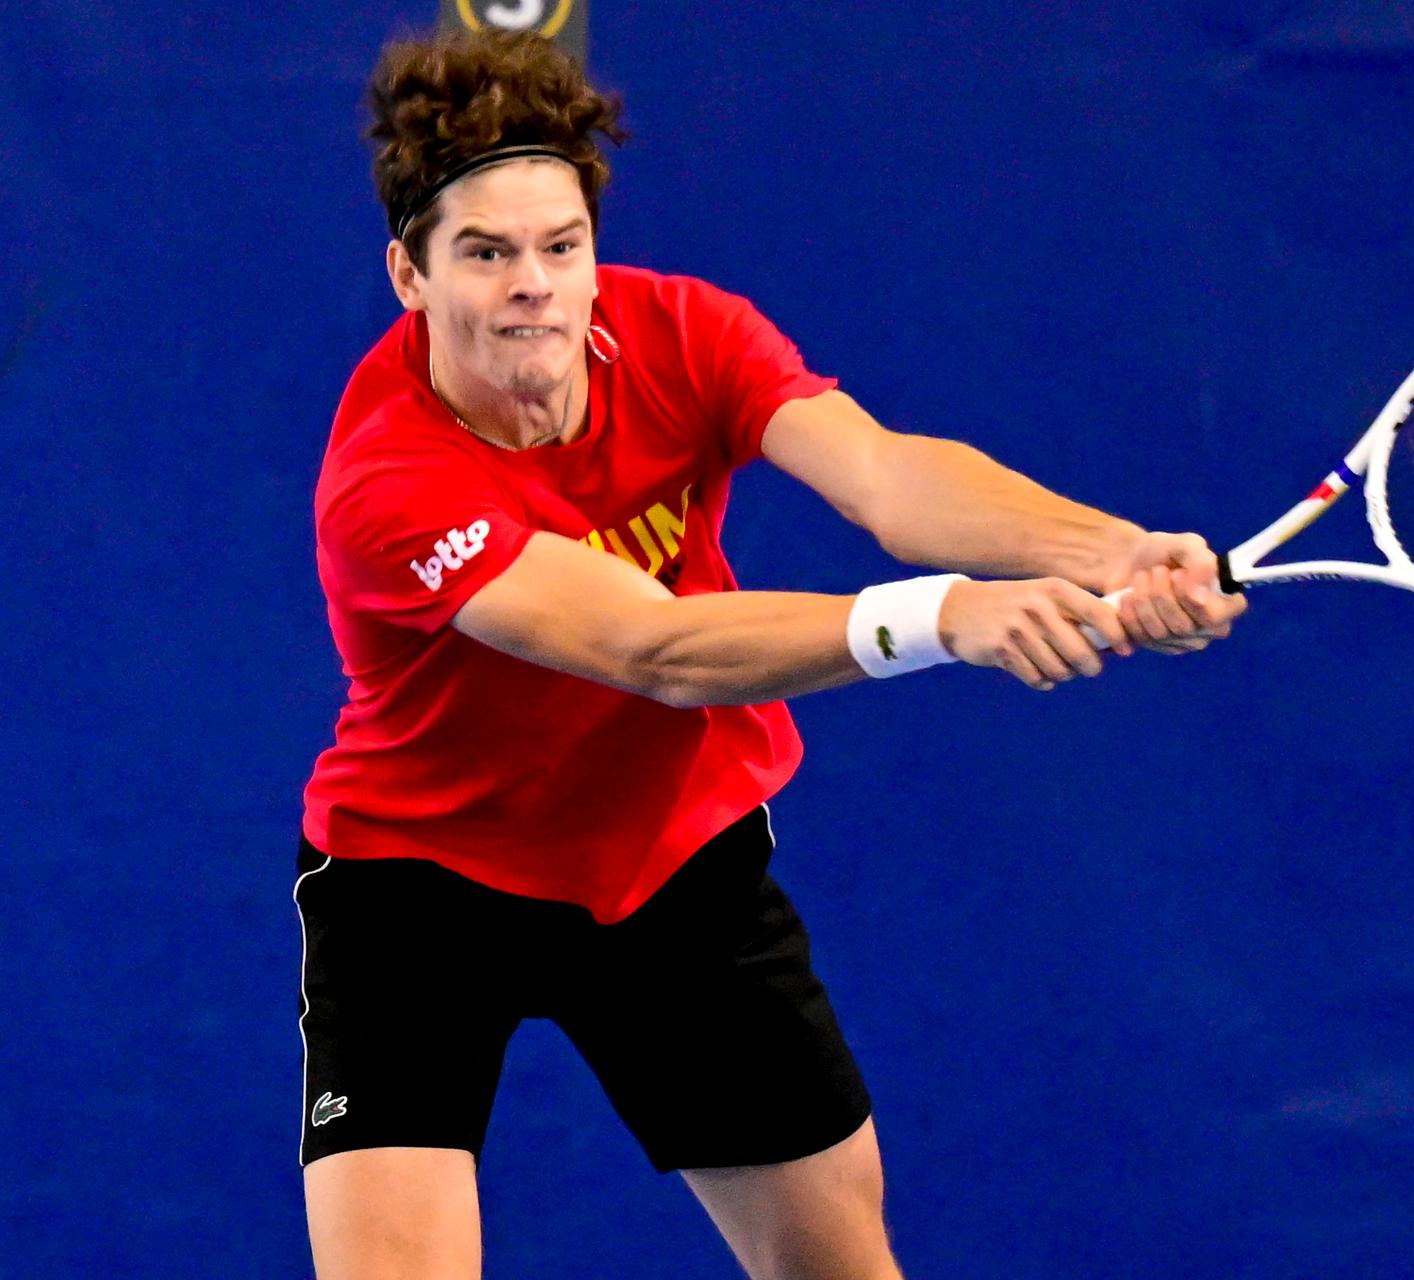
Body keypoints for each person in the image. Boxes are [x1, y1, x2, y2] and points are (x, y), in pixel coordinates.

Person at [297, 28, 1246, 1280]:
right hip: (422, 887)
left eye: (561, 245)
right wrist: (944, 615)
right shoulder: (387, 481)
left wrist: (1109, 548)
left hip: (671, 861)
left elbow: (887, 475)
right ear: (410, 276)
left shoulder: (684, 332)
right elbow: (655, 646)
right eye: (485, 252)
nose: (534, 283)